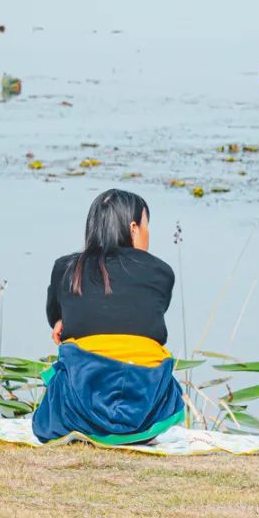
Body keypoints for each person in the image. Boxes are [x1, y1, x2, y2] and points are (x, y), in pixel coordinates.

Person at [32, 188, 185, 445]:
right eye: (147, 225)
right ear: (134, 228)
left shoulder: (66, 267)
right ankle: (133, 434)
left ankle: (88, 429)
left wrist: (62, 322)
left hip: (80, 409)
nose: (148, 233)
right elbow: (149, 316)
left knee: (65, 362)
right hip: (145, 409)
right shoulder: (161, 271)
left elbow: (56, 316)